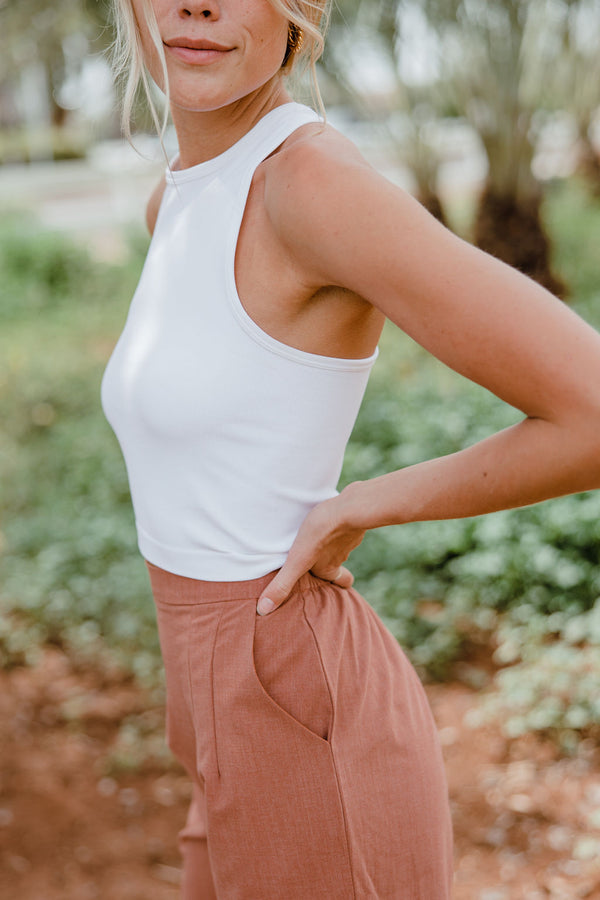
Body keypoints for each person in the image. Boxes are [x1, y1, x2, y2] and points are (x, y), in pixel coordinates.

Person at [101, 0, 600, 897]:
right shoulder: (178, 193)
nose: (197, 4)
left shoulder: (309, 185)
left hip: (291, 690)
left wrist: (367, 500)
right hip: (211, 703)